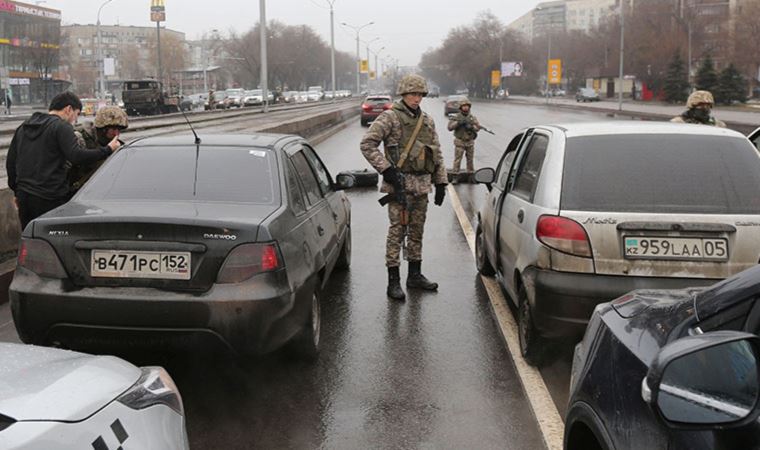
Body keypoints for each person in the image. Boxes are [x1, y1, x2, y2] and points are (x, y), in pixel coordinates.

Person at [360, 74, 448, 301]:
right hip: (398, 185)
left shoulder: (427, 121)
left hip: (421, 186)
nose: (416, 98)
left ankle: (415, 275)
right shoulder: (389, 117)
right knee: (397, 233)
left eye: (419, 94)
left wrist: (440, 182)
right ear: (403, 94)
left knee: (417, 232)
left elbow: (436, 153)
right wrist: (386, 170)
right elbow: (367, 144)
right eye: (412, 94)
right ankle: (393, 281)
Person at [5, 92, 121, 229]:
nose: (75, 120)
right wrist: (108, 149)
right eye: (77, 114)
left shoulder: (24, 127)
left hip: (25, 196)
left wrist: (17, 192)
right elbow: (76, 156)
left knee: (31, 238)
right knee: (52, 239)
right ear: (68, 109)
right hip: (50, 197)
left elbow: (11, 163)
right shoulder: (61, 127)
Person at [68, 105, 128, 193]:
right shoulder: (80, 139)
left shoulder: (117, 146)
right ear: (103, 128)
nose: (116, 133)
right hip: (77, 193)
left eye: (119, 130)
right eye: (114, 129)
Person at [447, 98, 480, 183]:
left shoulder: (472, 118)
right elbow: (450, 127)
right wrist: (458, 123)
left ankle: (471, 176)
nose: (465, 108)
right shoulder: (456, 117)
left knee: (470, 159)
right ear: (460, 107)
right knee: (458, 159)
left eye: (467, 106)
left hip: (469, 142)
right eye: (463, 106)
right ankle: (455, 176)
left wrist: (472, 127)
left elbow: (477, 127)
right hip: (460, 141)